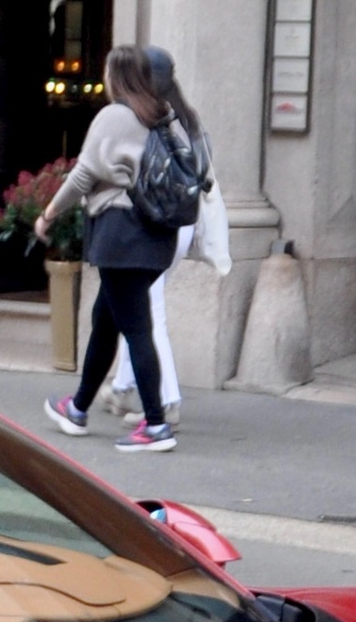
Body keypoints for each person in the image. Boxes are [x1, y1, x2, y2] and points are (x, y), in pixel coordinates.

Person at [35, 44, 199, 453]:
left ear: (116, 76)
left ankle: (157, 425)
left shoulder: (115, 116)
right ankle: (78, 407)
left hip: (121, 234)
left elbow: (84, 175)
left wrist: (49, 214)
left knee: (136, 329)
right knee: (106, 319)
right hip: (154, 235)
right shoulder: (159, 115)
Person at [104, 47, 228, 422]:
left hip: (155, 222)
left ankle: (167, 400)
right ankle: (124, 389)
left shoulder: (146, 117)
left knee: (147, 312)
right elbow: (204, 172)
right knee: (135, 306)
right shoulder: (187, 118)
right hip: (182, 220)